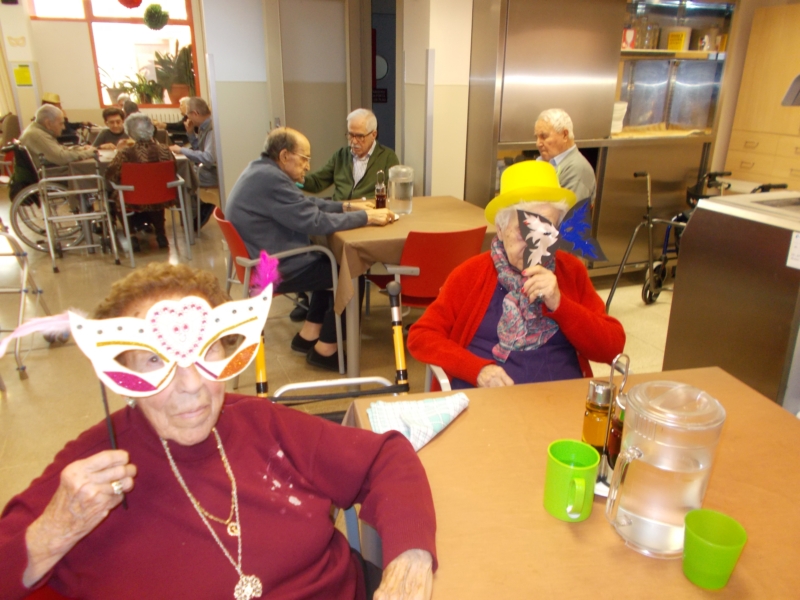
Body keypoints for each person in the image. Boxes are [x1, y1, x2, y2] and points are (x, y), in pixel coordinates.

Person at [0, 262, 436, 599]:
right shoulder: (87, 475)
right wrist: (53, 532)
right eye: (155, 360)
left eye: (207, 350)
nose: (191, 385)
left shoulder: (262, 422)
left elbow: (385, 459)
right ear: (121, 374)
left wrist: (410, 557)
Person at [407, 161, 624, 388]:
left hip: (562, 397)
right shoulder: (470, 274)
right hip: (489, 400)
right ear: (501, 230)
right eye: (524, 231)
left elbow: (612, 347)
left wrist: (560, 303)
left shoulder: (570, 270)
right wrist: (476, 369)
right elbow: (422, 335)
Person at [226, 127, 395, 371]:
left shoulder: (261, 170)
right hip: (272, 269)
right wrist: (367, 217)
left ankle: (309, 334)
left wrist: (347, 207)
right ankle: (326, 349)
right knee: (350, 272)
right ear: (285, 156)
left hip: (257, 261)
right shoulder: (272, 180)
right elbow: (315, 221)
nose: (308, 166)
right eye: (304, 158)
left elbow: (305, 203)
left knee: (328, 262)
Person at [105, 113, 175, 250]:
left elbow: (110, 175)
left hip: (132, 198)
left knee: (116, 194)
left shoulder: (125, 153)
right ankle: (161, 233)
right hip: (162, 197)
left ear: (130, 132)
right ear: (151, 129)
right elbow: (173, 171)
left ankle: (131, 236)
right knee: (155, 190)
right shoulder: (165, 150)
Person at [300, 108, 399, 202]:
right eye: (351, 135)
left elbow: (394, 195)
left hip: (368, 211)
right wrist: (296, 180)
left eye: (360, 136)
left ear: (373, 134)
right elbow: (317, 182)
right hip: (339, 210)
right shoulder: (341, 155)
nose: (354, 141)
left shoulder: (388, 157)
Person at [10, 104, 97, 200]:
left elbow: (58, 150)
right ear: (48, 123)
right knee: (90, 171)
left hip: (48, 171)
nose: (63, 127)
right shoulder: (37, 135)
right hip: (50, 175)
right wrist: (90, 153)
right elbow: (62, 157)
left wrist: (79, 149)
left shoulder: (36, 130)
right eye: (61, 123)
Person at [169, 97, 217, 229]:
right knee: (179, 175)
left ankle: (196, 213)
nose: (187, 119)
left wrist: (182, 150)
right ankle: (198, 209)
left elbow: (208, 158)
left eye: (188, 115)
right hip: (206, 169)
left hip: (213, 172)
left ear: (195, 113)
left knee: (180, 178)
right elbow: (198, 150)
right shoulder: (203, 127)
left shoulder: (212, 128)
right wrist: (190, 133)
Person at [534, 108, 596, 204]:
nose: (538, 143)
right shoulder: (545, 161)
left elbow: (568, 211)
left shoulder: (577, 169)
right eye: (536, 137)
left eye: (544, 136)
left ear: (564, 135)